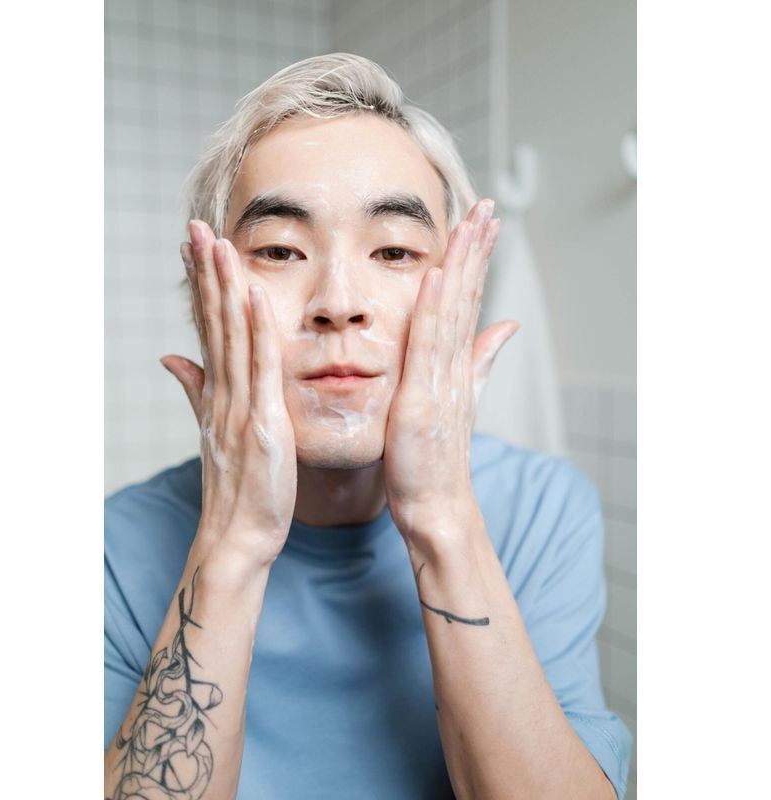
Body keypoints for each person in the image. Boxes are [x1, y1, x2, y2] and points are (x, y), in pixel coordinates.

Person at [104, 53, 632, 799]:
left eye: (394, 251)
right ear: (206, 298)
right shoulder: (111, 550)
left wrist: (441, 516)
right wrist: (233, 541)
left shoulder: (544, 508)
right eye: (280, 250)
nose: (339, 302)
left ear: (462, 295)